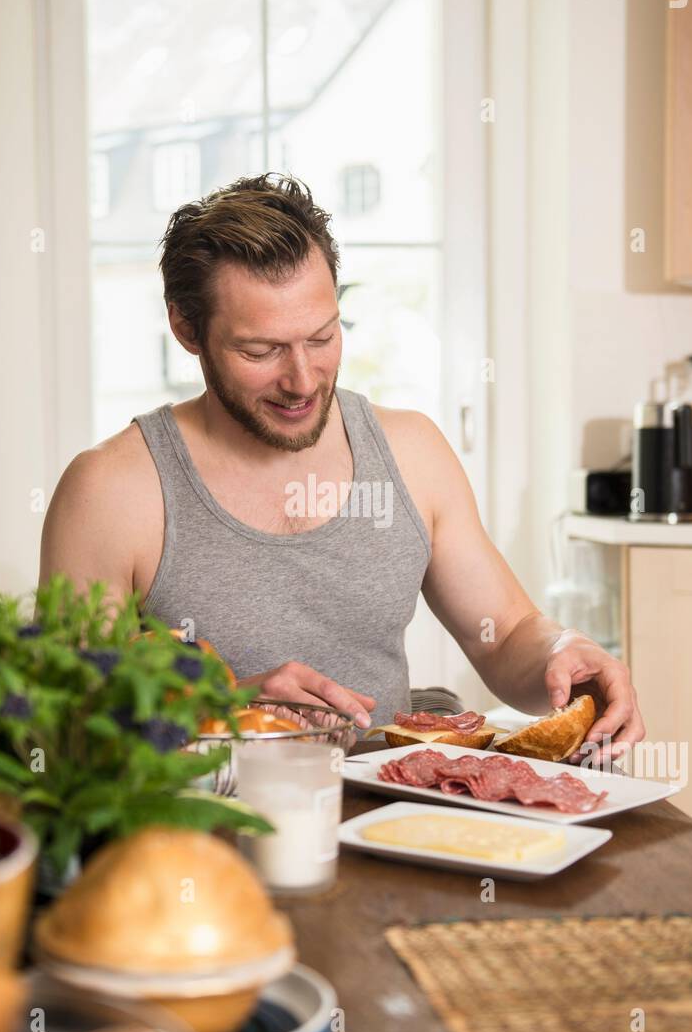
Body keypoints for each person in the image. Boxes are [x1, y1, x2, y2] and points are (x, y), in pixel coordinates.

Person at [41, 174, 644, 762]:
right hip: (209, 832)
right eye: (261, 350)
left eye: (322, 337)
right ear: (185, 329)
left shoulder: (411, 451)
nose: (303, 380)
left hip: (396, 814)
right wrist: (223, 708)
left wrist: (566, 654)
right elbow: (70, 721)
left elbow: (508, 635)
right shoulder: (111, 490)